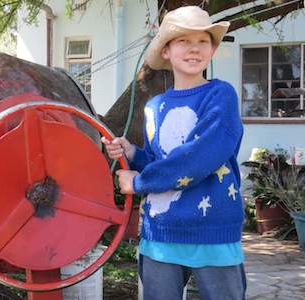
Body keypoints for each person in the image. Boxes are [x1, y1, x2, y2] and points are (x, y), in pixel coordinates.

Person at [102, 5, 246, 300]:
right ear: (166, 50)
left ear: (212, 50)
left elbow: (197, 159)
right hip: (161, 232)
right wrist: (134, 155)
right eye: (184, 41)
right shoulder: (153, 107)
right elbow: (164, 162)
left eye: (202, 41)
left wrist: (138, 182)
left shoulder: (221, 96)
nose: (194, 49)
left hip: (212, 232)